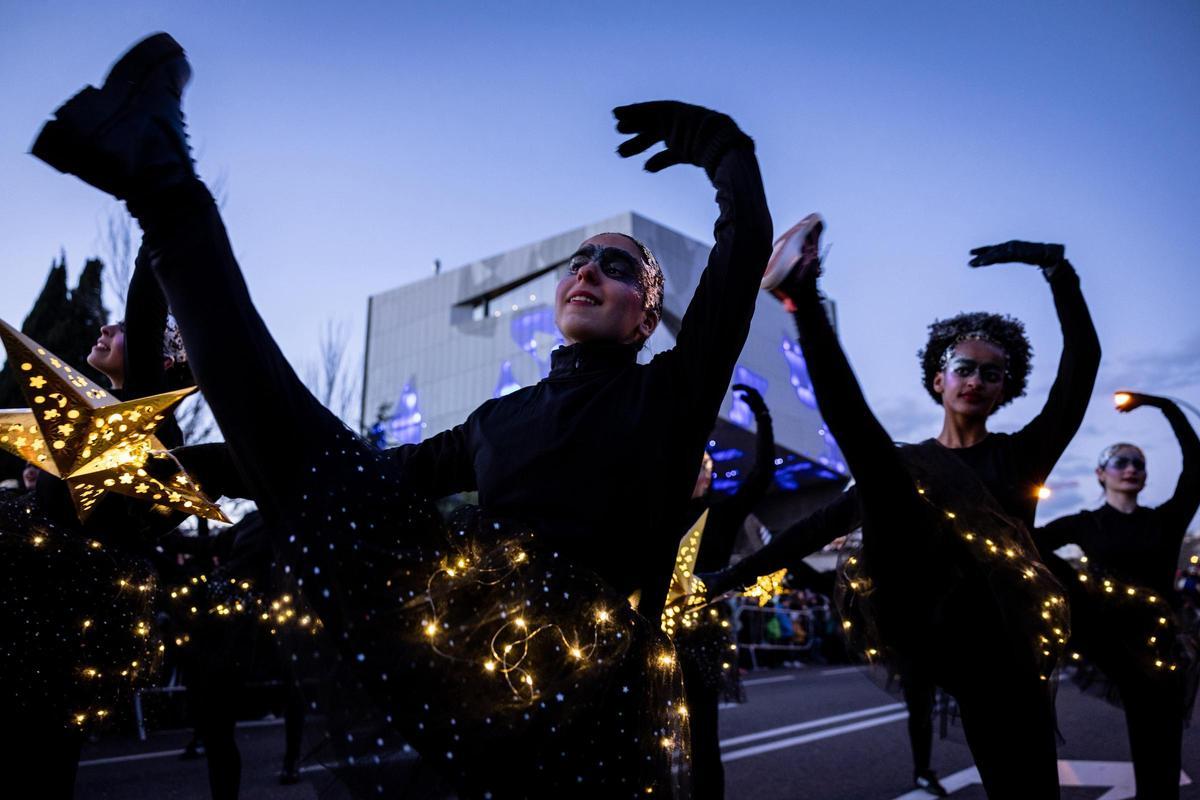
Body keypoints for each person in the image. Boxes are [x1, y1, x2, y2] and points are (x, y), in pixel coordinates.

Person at [31, 32, 772, 797]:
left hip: (581, 699)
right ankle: (159, 182)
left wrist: (720, 143)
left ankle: (159, 178)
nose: (588, 271)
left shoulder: (670, 396)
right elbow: (367, 471)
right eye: (581, 260)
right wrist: (185, 468)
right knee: (322, 463)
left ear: (647, 320)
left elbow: (743, 245)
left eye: (618, 267)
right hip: (465, 656)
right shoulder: (501, 419)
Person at [703, 218, 1100, 798]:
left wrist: (1056, 270)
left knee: (1023, 787)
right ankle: (802, 295)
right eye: (964, 368)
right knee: (879, 463)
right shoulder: (904, 467)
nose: (977, 381)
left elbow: (1082, 364)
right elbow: (821, 524)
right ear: (939, 379)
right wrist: (735, 574)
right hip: (924, 615)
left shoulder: (1024, 456)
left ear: (1004, 390)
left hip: (1002, 653)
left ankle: (801, 294)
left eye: (994, 374)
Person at [1035, 391, 1200, 800]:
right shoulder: (1086, 523)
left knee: (1159, 743)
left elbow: (1197, 467)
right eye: (1120, 461)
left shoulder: (1164, 521)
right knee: (1147, 729)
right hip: (1108, 643)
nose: (1130, 468)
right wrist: (1078, 591)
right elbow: (1028, 544)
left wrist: (1162, 405)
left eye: (1138, 463)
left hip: (1161, 645)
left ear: (1145, 476)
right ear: (1100, 473)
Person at [675, 384, 775, 800]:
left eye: (707, 464)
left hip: (702, 634)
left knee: (702, 734)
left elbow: (762, 474)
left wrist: (763, 419)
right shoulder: (662, 511)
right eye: (696, 463)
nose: (703, 470)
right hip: (653, 630)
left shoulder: (725, 511)